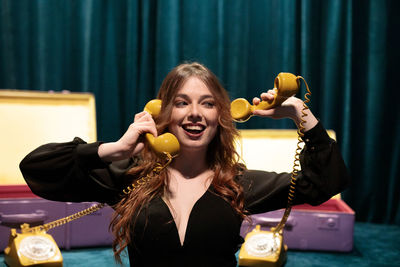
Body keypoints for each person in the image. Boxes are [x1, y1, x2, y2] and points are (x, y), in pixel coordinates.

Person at [20, 62, 350, 267]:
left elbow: (326, 181)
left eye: (207, 103)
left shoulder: (238, 184)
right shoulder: (128, 176)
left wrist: (299, 113)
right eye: (182, 103)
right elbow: (37, 169)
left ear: (221, 117)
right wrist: (114, 149)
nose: (194, 113)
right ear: (164, 114)